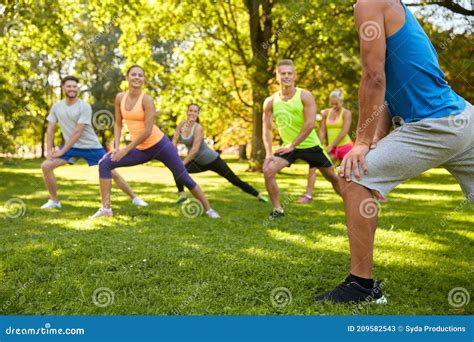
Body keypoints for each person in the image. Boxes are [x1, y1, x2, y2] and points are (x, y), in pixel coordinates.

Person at [314, 0, 472, 304]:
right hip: (465, 121)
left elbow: (373, 77)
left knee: (352, 176)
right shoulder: (394, 7)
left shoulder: (369, 3)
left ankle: (361, 287)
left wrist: (360, 143)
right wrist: (375, 144)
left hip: (435, 124)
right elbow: (392, 91)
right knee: (364, 171)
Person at [92, 65, 220, 218]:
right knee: (105, 163)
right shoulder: (120, 97)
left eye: (140, 75)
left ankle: (209, 209)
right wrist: (117, 147)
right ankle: (106, 209)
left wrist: (125, 150)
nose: (137, 77)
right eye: (133, 74)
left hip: (160, 145)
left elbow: (146, 131)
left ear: (143, 79)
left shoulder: (147, 100)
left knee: (183, 177)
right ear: (126, 77)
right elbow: (118, 123)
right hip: (141, 149)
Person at [40, 75, 148, 209]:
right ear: (63, 88)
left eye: (74, 86)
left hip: (90, 146)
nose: (72, 89)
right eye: (69, 86)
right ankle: (54, 201)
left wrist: (62, 150)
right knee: (46, 166)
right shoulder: (57, 106)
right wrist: (49, 150)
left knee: (111, 172)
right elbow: (50, 128)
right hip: (71, 147)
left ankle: (135, 198)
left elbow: (78, 132)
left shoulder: (84, 106)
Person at [262, 59, 341, 218]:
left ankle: (351, 202)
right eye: (282, 73)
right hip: (288, 147)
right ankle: (278, 209)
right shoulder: (270, 102)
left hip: (310, 145)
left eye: (289, 73)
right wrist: (268, 153)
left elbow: (310, 124)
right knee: (268, 171)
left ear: (294, 76)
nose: (286, 76)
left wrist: (293, 144)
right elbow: (266, 128)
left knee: (332, 177)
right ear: (277, 76)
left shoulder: (305, 96)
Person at [171, 103, 268, 204]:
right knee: (176, 170)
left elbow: (194, 150)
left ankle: (259, 195)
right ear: (187, 112)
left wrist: (183, 163)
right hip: (198, 163)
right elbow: (174, 139)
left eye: (195, 111)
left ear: (198, 114)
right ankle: (182, 196)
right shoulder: (181, 125)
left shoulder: (198, 128)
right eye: (190, 110)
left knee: (234, 180)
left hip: (213, 160)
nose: (192, 113)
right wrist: (174, 154)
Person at [297, 88, 353, 204]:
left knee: (356, 172)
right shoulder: (326, 113)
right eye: (331, 103)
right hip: (330, 148)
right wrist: (319, 145)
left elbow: (344, 132)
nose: (334, 106)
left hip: (345, 147)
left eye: (336, 103)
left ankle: (375, 194)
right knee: (314, 165)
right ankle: (308, 195)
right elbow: (322, 130)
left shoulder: (346, 113)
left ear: (341, 102)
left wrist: (332, 145)